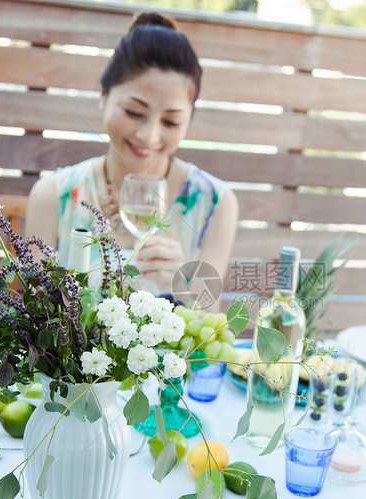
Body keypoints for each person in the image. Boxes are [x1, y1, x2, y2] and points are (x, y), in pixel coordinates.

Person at [27, 12, 237, 305]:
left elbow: (210, 334)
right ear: (103, 95)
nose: (149, 136)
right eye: (134, 112)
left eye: (171, 122)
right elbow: (35, 327)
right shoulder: (52, 196)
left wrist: (181, 283)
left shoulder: (215, 203)